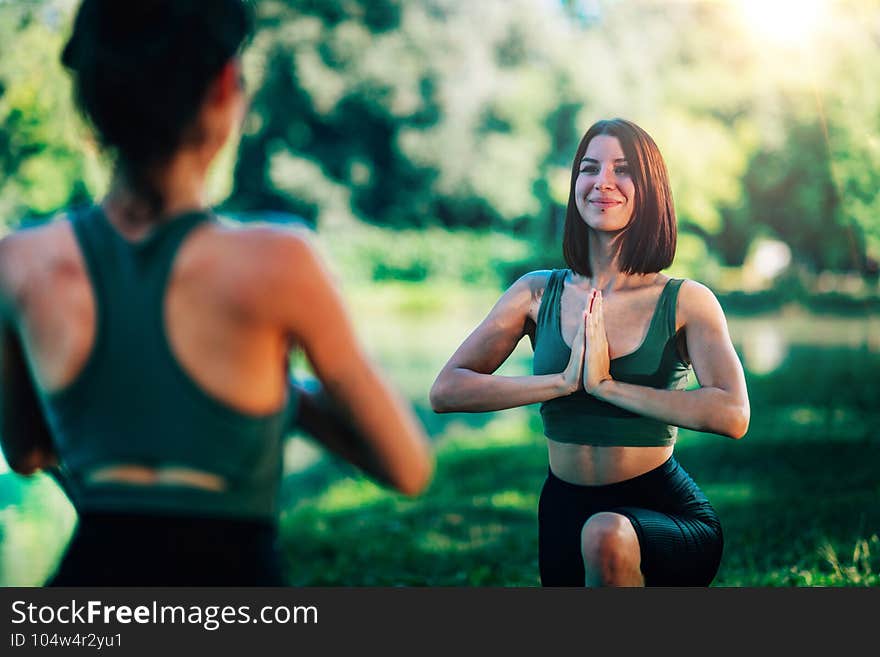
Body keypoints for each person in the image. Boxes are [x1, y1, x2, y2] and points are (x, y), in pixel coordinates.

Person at [0, 0, 432, 586]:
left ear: (95, 99)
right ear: (225, 86)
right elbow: (406, 465)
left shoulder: (19, 262)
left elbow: (26, 453)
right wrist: (287, 398)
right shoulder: (282, 260)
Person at [430, 118, 749, 587]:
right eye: (588, 167)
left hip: (660, 511)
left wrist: (607, 385)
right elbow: (447, 390)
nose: (602, 182)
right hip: (562, 509)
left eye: (623, 170)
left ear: (650, 188)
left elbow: (732, 413)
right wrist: (562, 383)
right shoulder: (535, 292)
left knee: (605, 535)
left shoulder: (686, 301)